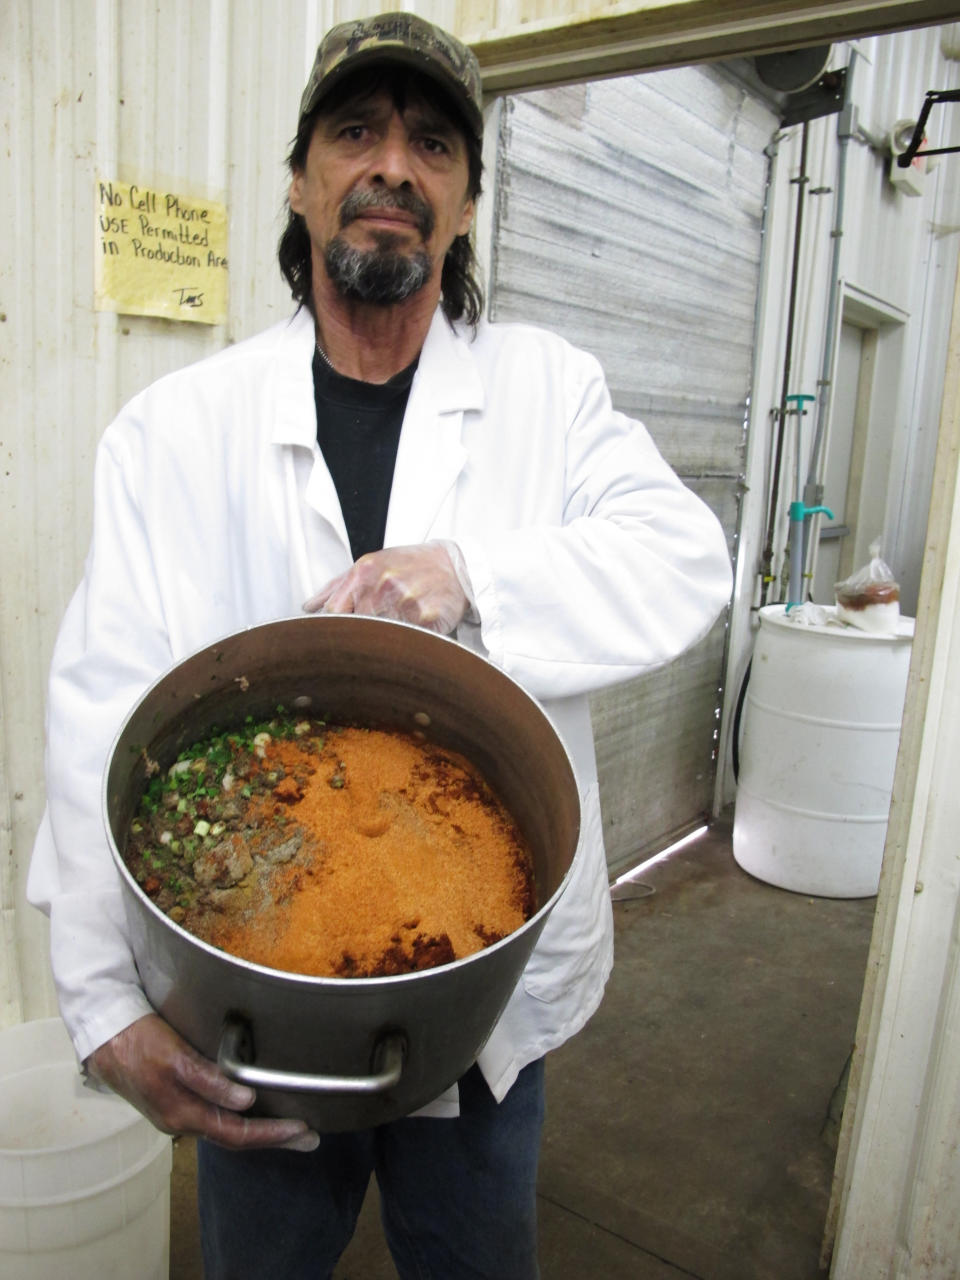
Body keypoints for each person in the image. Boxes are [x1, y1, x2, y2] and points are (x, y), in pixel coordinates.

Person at [28, 11, 732, 1278]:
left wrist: (473, 574)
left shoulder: (546, 392)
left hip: (479, 998)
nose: (393, 167)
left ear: (463, 201)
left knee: (473, 1253)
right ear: (299, 182)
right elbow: (103, 708)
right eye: (355, 132)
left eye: (433, 144)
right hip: (250, 997)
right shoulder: (176, 430)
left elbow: (687, 557)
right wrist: (100, 1005)